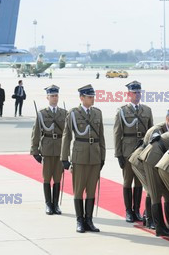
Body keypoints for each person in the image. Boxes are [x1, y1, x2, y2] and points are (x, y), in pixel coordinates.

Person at [61, 84, 106, 233]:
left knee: (92, 191)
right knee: (79, 190)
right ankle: (79, 220)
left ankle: (89, 221)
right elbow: (67, 136)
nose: (92, 99)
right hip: (79, 156)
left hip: (94, 156)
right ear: (81, 98)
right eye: (89, 97)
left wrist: (103, 156)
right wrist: (64, 158)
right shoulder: (73, 113)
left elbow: (101, 137)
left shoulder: (97, 113)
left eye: (93, 96)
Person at [128, 110, 169, 230]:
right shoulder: (156, 130)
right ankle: (150, 220)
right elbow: (152, 153)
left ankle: (152, 217)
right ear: (167, 118)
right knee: (152, 190)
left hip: (151, 162)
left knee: (158, 190)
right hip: (141, 161)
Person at [114, 80, 153, 223]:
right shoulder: (122, 111)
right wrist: (118, 154)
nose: (137, 95)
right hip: (128, 151)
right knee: (127, 181)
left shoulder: (147, 110)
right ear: (128, 94)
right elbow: (117, 133)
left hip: (142, 150)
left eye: (139, 92)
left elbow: (151, 131)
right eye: (134, 92)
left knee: (139, 182)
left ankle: (136, 210)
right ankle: (128, 211)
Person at [31, 85, 68, 215]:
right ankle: (48, 204)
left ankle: (55, 204)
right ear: (47, 97)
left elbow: (68, 135)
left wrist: (67, 152)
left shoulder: (64, 113)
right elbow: (36, 133)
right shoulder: (42, 113)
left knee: (58, 178)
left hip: (59, 149)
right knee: (47, 178)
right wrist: (35, 150)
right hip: (46, 149)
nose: (54, 98)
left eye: (56, 95)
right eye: (52, 96)